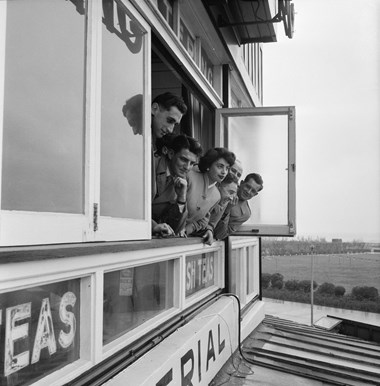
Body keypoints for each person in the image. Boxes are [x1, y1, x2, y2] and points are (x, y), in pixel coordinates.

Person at [152, 134, 203, 235]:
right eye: (184, 160)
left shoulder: (181, 182)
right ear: (171, 154)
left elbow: (176, 229)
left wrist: (181, 198)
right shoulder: (151, 164)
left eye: (192, 163)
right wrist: (153, 226)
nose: (187, 167)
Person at [185, 147, 236, 245]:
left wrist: (193, 228)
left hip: (186, 239)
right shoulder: (190, 176)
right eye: (220, 166)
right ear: (208, 165)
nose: (224, 172)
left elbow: (203, 221)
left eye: (227, 168)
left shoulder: (217, 195)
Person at [214, 173, 264, 240]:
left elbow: (220, 235)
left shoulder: (245, 214)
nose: (248, 192)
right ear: (241, 183)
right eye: (248, 187)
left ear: (255, 194)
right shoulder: (228, 184)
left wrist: (227, 210)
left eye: (253, 191)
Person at [208, 173, 239, 241]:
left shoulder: (225, 205)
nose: (231, 198)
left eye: (234, 194)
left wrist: (226, 211)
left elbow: (220, 235)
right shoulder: (206, 200)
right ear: (218, 186)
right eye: (230, 192)